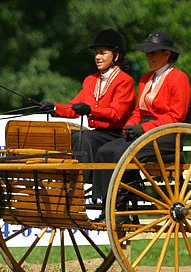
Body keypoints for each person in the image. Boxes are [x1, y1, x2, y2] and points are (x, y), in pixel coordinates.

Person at [93, 31, 191, 218]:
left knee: (119, 153)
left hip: (166, 134)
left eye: (153, 53)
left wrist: (144, 128)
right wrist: (129, 127)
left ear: (167, 54)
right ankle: (108, 202)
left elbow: (177, 116)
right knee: (105, 150)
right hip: (144, 132)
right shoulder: (146, 79)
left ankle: (119, 205)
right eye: (147, 53)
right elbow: (138, 111)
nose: (149, 57)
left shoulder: (178, 78)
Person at [41, 28, 135, 203]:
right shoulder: (90, 80)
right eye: (96, 53)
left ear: (116, 56)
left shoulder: (125, 81)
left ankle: (88, 188)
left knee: (85, 138)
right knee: (71, 136)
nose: (97, 57)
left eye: (103, 53)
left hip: (115, 134)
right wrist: (54, 108)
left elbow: (117, 114)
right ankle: (70, 182)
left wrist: (91, 111)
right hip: (96, 134)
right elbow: (74, 107)